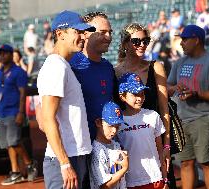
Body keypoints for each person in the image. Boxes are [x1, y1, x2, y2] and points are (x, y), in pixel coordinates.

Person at [36, 10, 95, 189]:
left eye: (84, 32)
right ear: (60, 34)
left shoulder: (63, 66)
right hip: (66, 159)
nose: (83, 37)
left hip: (75, 155)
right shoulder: (55, 67)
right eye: (77, 31)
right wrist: (64, 163)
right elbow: (47, 119)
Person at [167, 25, 209, 189]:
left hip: (204, 118)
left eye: (185, 39)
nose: (181, 43)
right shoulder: (179, 62)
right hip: (182, 119)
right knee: (186, 163)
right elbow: (168, 87)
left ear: (197, 40)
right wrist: (176, 88)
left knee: (207, 163)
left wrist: (197, 94)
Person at [115, 23, 172, 186]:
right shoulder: (115, 72)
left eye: (145, 41)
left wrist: (167, 144)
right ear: (125, 43)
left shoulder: (156, 67)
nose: (142, 45)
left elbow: (164, 108)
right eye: (136, 41)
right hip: (129, 143)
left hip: (155, 141)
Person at [0, 44, 38, 185]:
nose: (1, 56)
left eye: (4, 54)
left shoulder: (19, 72)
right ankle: (15, 173)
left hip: (14, 112)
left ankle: (30, 164)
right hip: (2, 113)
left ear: (10, 54)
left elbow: (22, 93)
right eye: (0, 54)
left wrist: (21, 112)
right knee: (8, 145)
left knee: (14, 141)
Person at [69, 12, 116, 141]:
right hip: (80, 144)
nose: (108, 37)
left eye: (110, 32)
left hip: (106, 143)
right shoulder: (70, 65)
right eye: (102, 32)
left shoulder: (108, 67)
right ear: (85, 33)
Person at [117, 72, 167, 189]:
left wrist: (165, 179)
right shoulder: (117, 122)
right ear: (122, 96)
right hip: (130, 182)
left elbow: (160, 150)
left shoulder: (153, 115)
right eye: (135, 94)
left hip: (156, 179)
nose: (139, 98)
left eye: (142, 93)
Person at [89, 101, 128, 189]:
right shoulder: (96, 150)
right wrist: (124, 168)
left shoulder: (116, 145)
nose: (114, 130)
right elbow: (105, 186)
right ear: (99, 122)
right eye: (110, 125)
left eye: (117, 126)